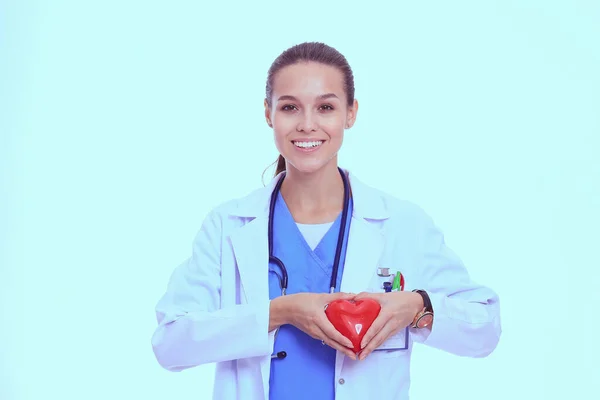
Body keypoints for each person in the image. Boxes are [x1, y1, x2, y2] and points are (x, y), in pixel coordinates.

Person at [151, 42, 501, 400]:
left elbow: (485, 329)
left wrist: (417, 306)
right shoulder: (228, 225)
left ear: (351, 113)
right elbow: (170, 343)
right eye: (289, 107)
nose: (307, 125)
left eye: (326, 107)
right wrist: (280, 312)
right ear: (268, 113)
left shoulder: (401, 224)